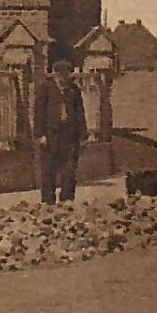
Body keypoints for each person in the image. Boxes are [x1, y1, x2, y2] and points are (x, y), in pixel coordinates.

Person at [33, 52, 88, 205]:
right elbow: (39, 113)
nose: (64, 78)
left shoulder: (73, 90)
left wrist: (83, 135)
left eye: (67, 75)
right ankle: (48, 201)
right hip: (51, 135)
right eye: (61, 75)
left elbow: (79, 113)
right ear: (55, 74)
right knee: (49, 169)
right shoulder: (46, 89)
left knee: (69, 169)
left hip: (70, 136)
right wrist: (40, 135)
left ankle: (67, 200)